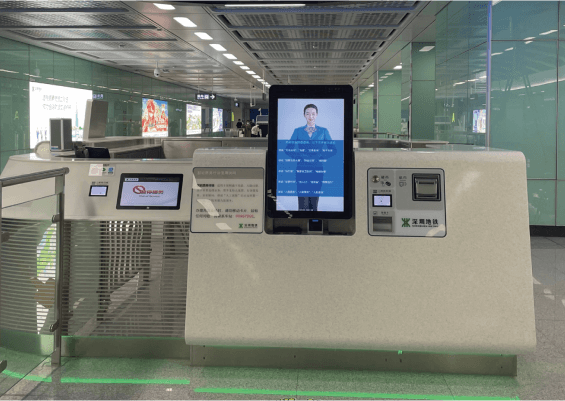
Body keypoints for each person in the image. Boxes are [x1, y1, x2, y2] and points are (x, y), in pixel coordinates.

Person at [284, 104, 337, 211]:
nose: (310, 116)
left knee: (314, 201)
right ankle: (302, 219)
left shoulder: (323, 131)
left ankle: (313, 218)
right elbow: (288, 149)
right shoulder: (298, 131)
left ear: (316, 115)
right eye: (308, 114)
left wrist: (320, 156)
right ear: (304, 115)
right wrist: (300, 157)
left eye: (313, 114)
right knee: (302, 202)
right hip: (302, 168)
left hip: (317, 168)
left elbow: (333, 149)